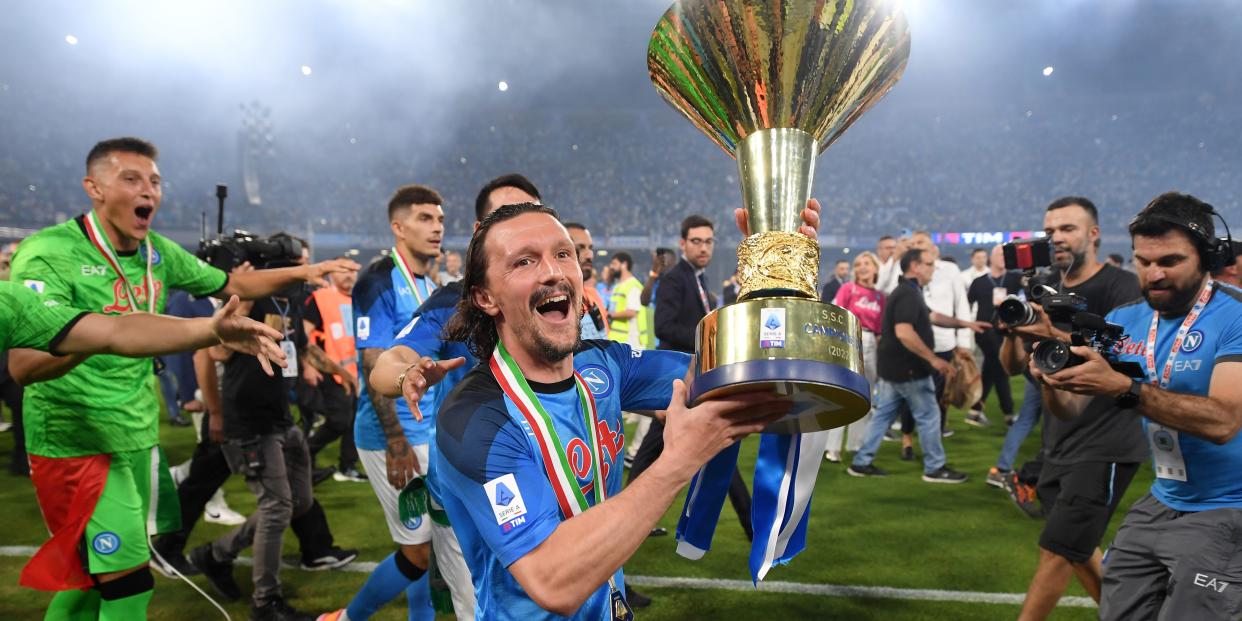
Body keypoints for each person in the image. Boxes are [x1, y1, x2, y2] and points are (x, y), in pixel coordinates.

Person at [9, 137, 356, 620]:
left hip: (133, 433)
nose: (147, 190)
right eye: (130, 179)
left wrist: (305, 271)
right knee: (129, 579)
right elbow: (24, 365)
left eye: (154, 181)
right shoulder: (48, 253)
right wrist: (108, 330)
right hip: (74, 440)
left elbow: (232, 284)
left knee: (91, 578)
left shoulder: (156, 252)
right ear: (94, 188)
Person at [400, 202, 797, 619]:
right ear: (486, 297)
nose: (553, 271)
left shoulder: (605, 364)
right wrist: (679, 460)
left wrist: (775, 272)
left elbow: (734, 376)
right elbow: (552, 580)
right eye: (524, 261)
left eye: (562, 253)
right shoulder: (475, 420)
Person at [318, 174, 545, 621]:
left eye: (440, 218)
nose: (437, 227)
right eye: (424, 218)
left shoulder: (429, 282)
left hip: (433, 426)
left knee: (436, 555)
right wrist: (397, 440)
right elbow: (377, 363)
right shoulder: (382, 281)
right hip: (395, 430)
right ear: (398, 227)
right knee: (421, 553)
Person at [1034, 192, 1242, 621]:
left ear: (1206, 258)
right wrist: (1052, 380)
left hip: (1229, 507)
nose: (1154, 274)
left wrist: (1125, 388)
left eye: (1169, 261)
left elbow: (1224, 421)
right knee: (1117, 611)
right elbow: (1070, 409)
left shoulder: (1235, 317)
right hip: (1163, 498)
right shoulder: (1127, 319)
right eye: (1143, 262)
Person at [997, 196, 1143, 620]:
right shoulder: (1043, 291)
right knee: (1079, 551)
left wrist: (1052, 333)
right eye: (1049, 232)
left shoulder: (1121, 287)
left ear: (1093, 234)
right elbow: (1010, 367)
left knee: (1057, 551)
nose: (1056, 238)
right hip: (1058, 437)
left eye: (1067, 229)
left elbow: (1126, 359)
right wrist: (1014, 331)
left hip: (1108, 440)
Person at [193, 257, 361, 621]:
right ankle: (265, 603)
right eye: (299, 264)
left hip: (282, 418)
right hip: (250, 422)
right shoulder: (254, 303)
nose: (307, 271)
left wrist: (339, 373)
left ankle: (218, 554)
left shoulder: (292, 303)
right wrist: (244, 294)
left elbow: (302, 349)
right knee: (277, 507)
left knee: (297, 502)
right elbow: (215, 349)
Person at [632, 214, 754, 541]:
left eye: (708, 241)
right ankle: (621, 517)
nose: (703, 247)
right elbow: (664, 327)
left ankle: (751, 524)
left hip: (690, 382)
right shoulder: (675, 278)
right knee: (708, 447)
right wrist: (710, 341)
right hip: (676, 383)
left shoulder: (699, 281)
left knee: (713, 447)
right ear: (683, 244)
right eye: (696, 241)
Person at [847, 248, 987, 483]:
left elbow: (933, 316)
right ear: (915, 266)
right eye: (929, 264)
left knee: (882, 416)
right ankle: (934, 467)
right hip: (909, 368)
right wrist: (933, 359)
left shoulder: (910, 291)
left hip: (894, 368)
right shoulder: (908, 294)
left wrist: (965, 323)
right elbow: (904, 332)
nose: (933, 269)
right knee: (929, 415)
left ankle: (861, 462)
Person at [909, 231, 975, 433]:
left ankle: (937, 428)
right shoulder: (908, 269)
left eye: (920, 242)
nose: (916, 245)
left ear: (933, 248)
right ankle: (911, 431)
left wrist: (964, 341)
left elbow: (961, 303)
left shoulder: (950, 269)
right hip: (917, 342)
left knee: (943, 391)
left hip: (944, 342)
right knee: (914, 391)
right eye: (913, 243)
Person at [304, 266, 365, 482]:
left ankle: (347, 466)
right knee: (339, 421)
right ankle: (305, 451)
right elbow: (304, 333)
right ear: (331, 274)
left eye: (352, 270)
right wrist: (308, 365)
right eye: (343, 270)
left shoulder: (358, 299)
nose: (349, 275)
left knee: (354, 421)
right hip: (330, 371)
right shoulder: (320, 298)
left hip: (356, 372)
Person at [824, 251, 885, 463]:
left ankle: (855, 444)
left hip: (871, 345)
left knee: (864, 396)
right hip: (849, 341)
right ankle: (832, 447)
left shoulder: (880, 297)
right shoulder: (847, 288)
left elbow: (879, 329)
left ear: (876, 268)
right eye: (858, 264)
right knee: (843, 395)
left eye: (867, 263)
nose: (862, 267)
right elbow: (835, 315)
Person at [965, 245, 1022, 429]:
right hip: (984, 330)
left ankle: (975, 410)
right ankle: (1009, 413)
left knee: (992, 369)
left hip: (1006, 331)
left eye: (1006, 255)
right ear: (991, 257)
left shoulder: (1015, 278)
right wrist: (968, 325)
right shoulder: (979, 282)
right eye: (1000, 254)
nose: (1004, 257)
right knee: (1000, 367)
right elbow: (965, 304)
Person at [565, 222, 610, 342]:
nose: (589, 255)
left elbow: (604, 338)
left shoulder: (593, 295)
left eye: (590, 248)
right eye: (580, 248)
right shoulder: (551, 302)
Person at [606, 252, 650, 348]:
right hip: (619, 339)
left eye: (614, 263)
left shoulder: (633, 286)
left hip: (632, 340)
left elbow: (632, 312)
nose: (611, 267)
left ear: (624, 265)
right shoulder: (618, 286)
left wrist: (610, 315)